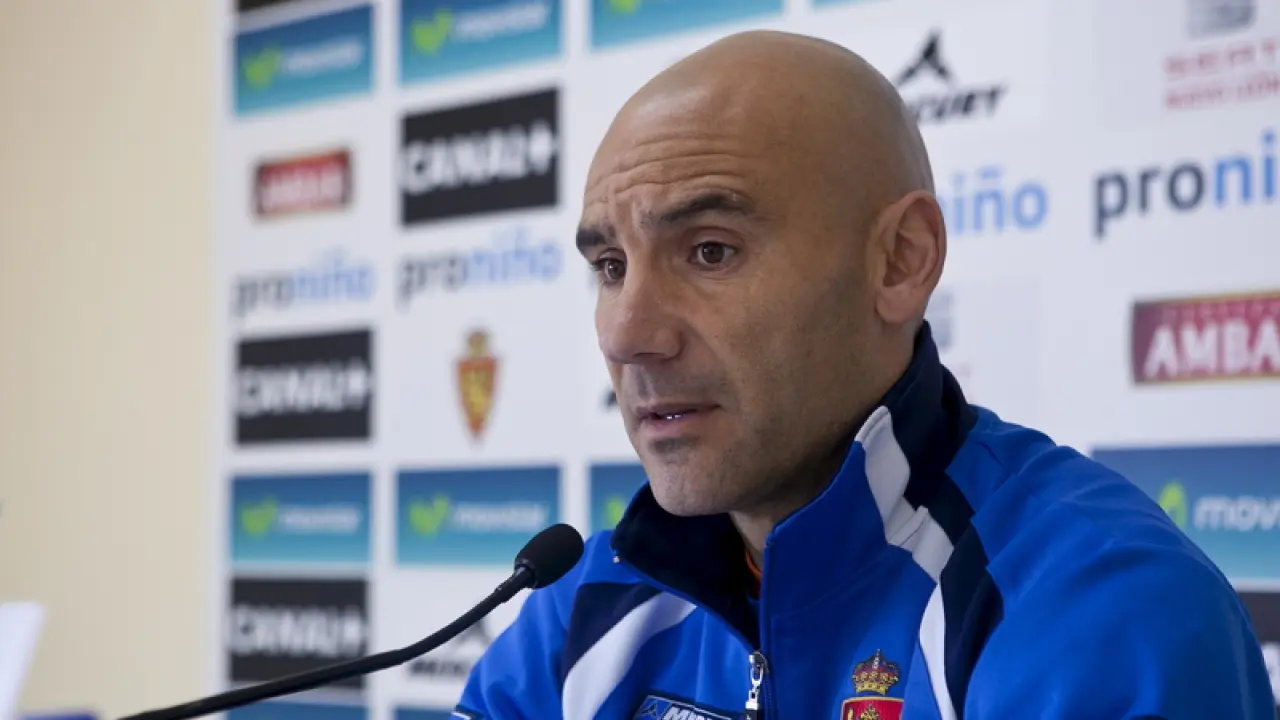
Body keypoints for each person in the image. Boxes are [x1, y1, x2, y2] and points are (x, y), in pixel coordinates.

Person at [454, 30, 1276, 720]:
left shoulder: (1101, 612)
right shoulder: (587, 607)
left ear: (900, 261)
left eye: (709, 251)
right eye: (610, 266)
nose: (628, 335)